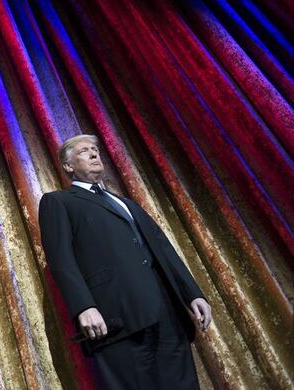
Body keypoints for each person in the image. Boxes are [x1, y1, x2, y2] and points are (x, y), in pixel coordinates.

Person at [39, 134, 212, 389]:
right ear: (68, 166)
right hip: (118, 319)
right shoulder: (58, 202)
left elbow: (163, 249)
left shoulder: (125, 202)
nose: (94, 153)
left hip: (167, 315)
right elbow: (60, 259)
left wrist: (192, 294)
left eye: (95, 149)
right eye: (85, 151)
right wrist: (83, 306)